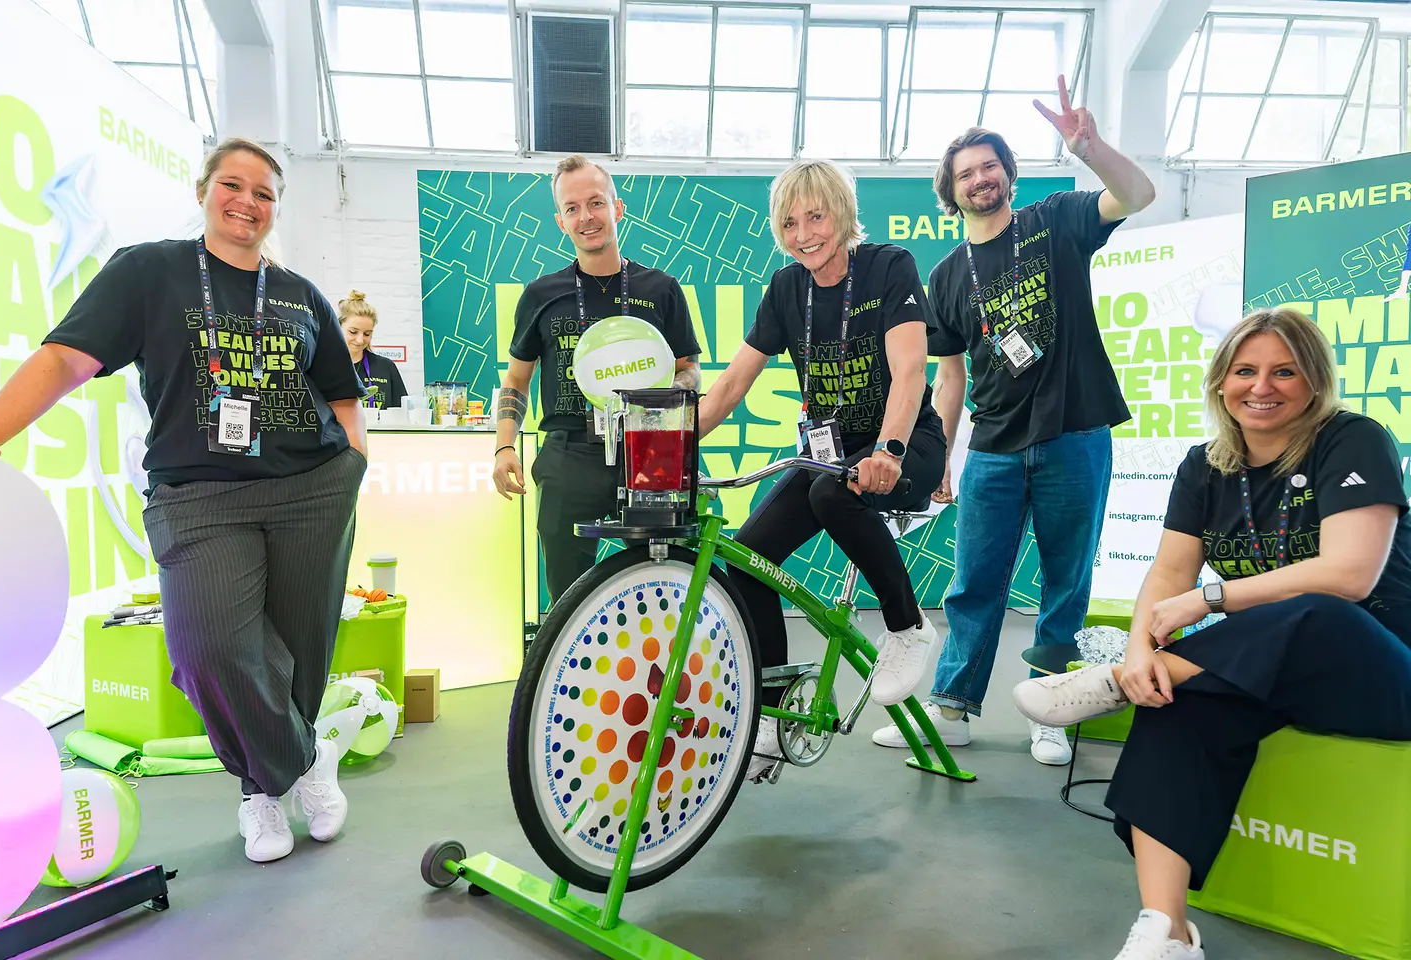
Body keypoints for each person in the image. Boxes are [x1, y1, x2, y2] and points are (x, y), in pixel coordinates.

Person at [0, 137, 368, 865]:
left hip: (310, 489)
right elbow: (67, 356)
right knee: (207, 647)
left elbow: (342, 391)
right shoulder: (151, 270)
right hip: (198, 492)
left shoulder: (299, 293)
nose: (247, 202)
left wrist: (354, 463)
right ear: (203, 191)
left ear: (275, 208)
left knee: (300, 647)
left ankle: (259, 793)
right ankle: (306, 759)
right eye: (233, 185)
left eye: (264, 193)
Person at [1012, 307, 1411, 959]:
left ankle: (1117, 681)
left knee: (1322, 610)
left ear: (1314, 380)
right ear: (1220, 382)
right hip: (1272, 670)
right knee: (1171, 703)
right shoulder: (1205, 465)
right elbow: (1169, 571)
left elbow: (1349, 576)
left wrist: (1211, 599)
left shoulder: (1353, 439)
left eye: (1285, 371)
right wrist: (1142, 649)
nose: (1263, 386)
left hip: (1379, 669)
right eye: (1245, 370)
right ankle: (1166, 931)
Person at [873, 76, 1157, 766]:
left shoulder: (1057, 219)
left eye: (990, 165)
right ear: (951, 191)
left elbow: (1139, 194)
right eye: (967, 172)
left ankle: (1050, 709)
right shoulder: (944, 276)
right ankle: (954, 708)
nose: (980, 178)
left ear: (1009, 174)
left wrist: (1089, 147)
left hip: (1076, 434)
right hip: (994, 447)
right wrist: (937, 454)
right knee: (974, 583)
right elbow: (948, 374)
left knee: (1066, 581)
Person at [698, 159, 946, 782]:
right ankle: (777, 713)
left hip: (904, 443)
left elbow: (912, 370)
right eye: (789, 221)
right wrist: (665, 449)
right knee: (747, 557)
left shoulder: (890, 267)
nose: (804, 232)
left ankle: (908, 627)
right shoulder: (786, 290)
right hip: (830, 458)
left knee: (835, 495)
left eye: (816, 216)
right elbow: (730, 385)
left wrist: (888, 449)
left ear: (841, 211)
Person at [492, 154, 702, 603]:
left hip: (647, 456)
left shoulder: (660, 289)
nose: (586, 217)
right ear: (560, 221)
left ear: (617, 207)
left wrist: (669, 394)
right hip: (569, 456)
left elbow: (688, 367)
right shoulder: (540, 295)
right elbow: (515, 381)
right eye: (572, 208)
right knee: (568, 602)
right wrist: (504, 445)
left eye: (596, 203)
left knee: (661, 593)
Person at [338, 289, 408, 411]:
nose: (360, 340)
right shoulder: (323, 367)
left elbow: (402, 413)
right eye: (353, 332)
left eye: (367, 334)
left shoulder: (386, 367)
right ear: (338, 327)